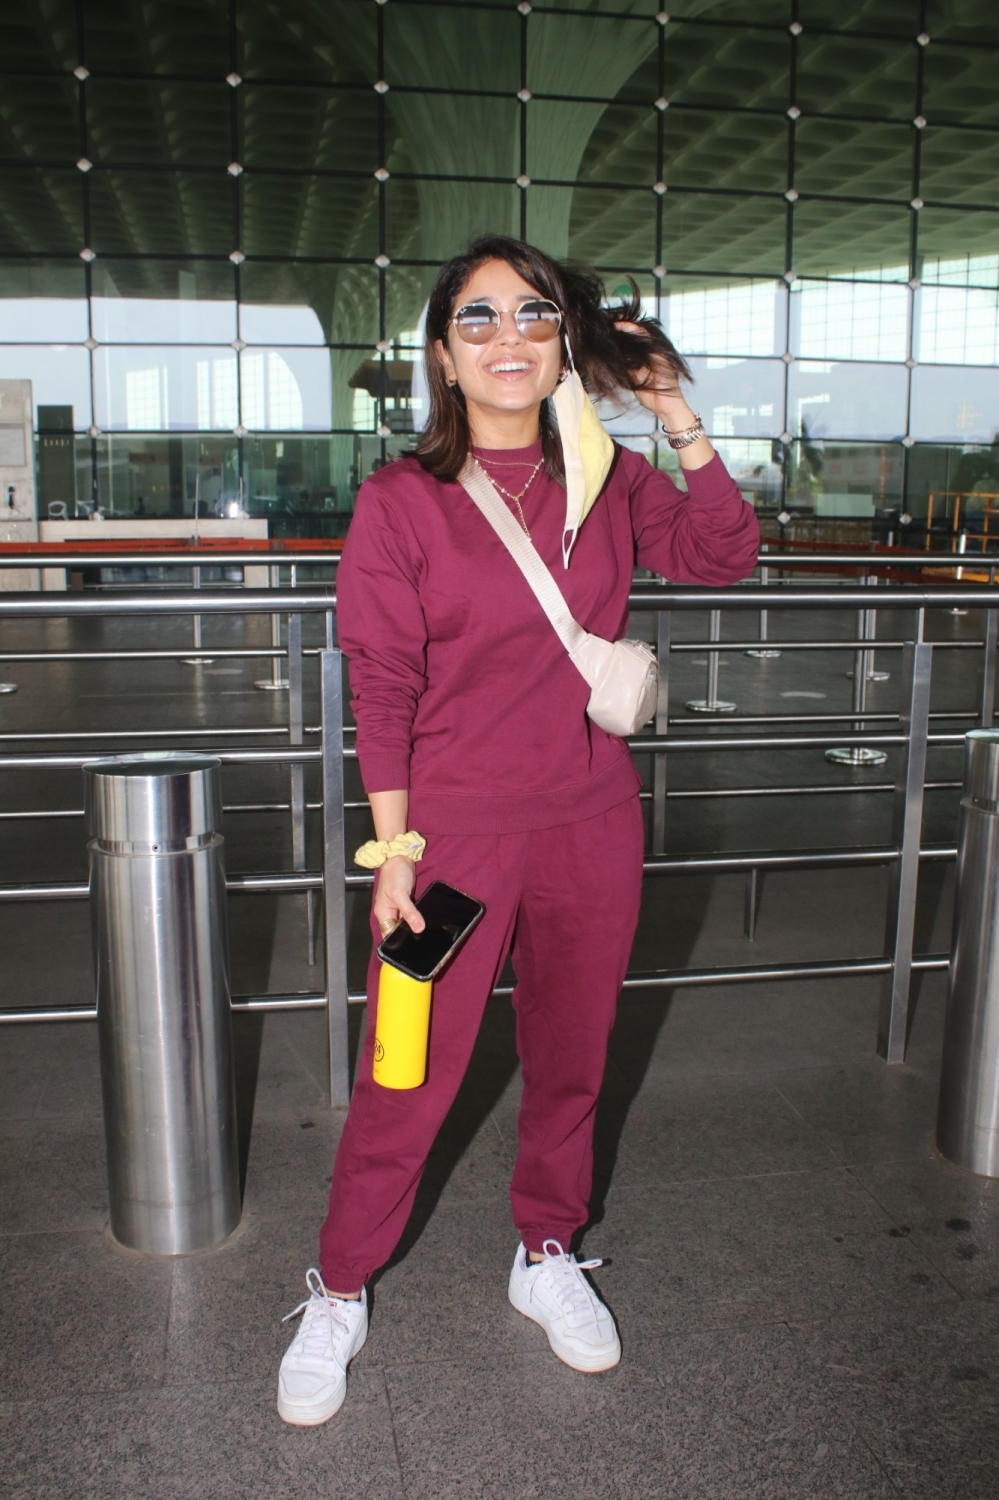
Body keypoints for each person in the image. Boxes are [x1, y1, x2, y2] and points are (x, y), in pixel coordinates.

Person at [277, 235, 760, 1426]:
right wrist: (391, 856)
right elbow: (379, 682)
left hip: (593, 824)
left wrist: (666, 406)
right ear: (444, 357)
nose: (508, 337)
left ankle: (547, 1251)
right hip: (451, 846)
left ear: (560, 349)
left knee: (574, 1057)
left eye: (533, 316)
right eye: (479, 319)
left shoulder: (603, 477)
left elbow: (722, 553)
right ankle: (340, 1286)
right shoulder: (402, 502)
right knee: (407, 1077)